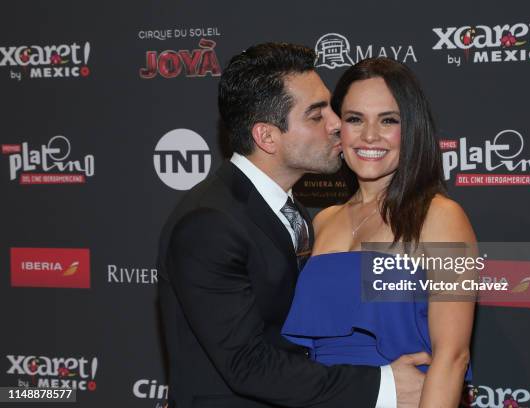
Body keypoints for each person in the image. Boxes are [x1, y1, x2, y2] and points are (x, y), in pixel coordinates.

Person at [157, 43, 430, 408]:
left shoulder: (296, 213)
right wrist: (385, 386)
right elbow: (247, 365)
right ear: (266, 136)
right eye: (317, 116)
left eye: (331, 109)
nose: (337, 125)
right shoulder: (209, 223)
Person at [282, 58, 476, 408]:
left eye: (388, 120)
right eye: (355, 119)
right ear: (337, 126)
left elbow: (452, 358)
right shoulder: (323, 221)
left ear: (412, 128)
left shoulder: (440, 218)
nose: (370, 135)